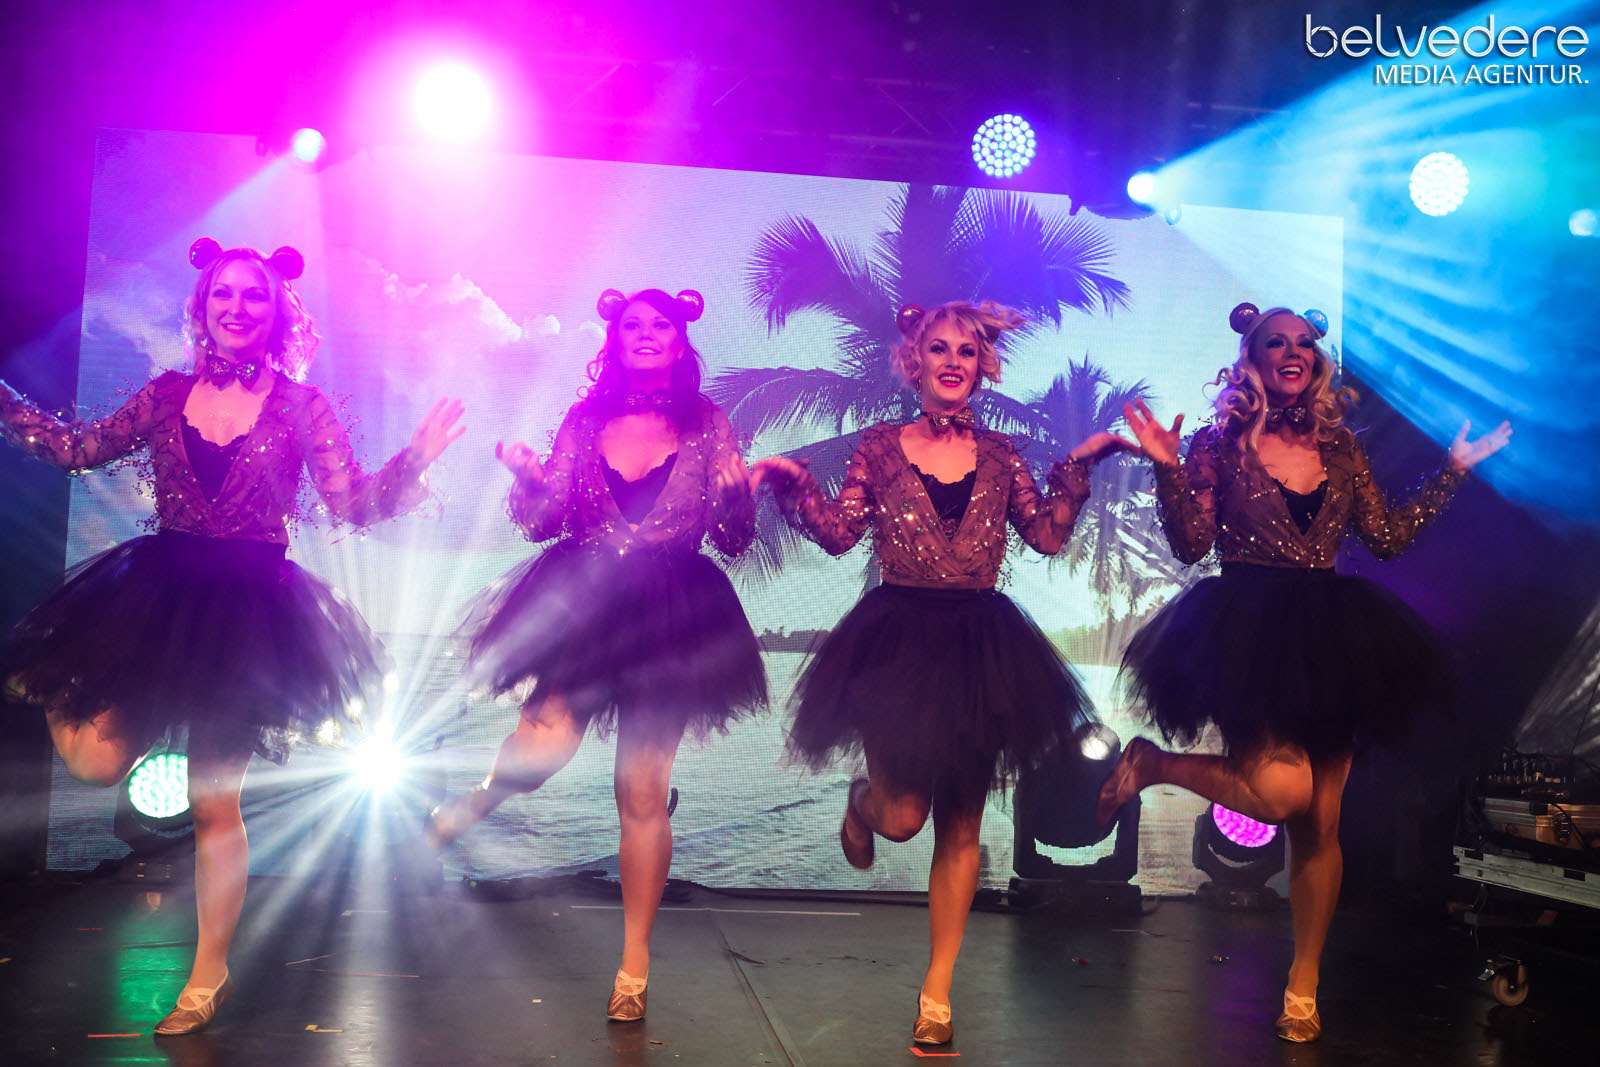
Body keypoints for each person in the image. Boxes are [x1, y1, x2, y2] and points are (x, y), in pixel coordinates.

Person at [0, 237, 464, 1034]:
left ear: (277, 311)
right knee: (94, 760)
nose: (238, 306)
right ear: (203, 305)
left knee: (215, 799)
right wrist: (6, 403)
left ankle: (206, 974)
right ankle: (55, 680)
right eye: (224, 293)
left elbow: (351, 503)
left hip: (251, 616)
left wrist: (414, 461)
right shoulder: (167, 393)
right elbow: (79, 450)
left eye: (255, 295)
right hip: (159, 598)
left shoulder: (301, 405)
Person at [1096, 302, 1511, 1043]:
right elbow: (1191, 543)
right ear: (1251, 359)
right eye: (1275, 342)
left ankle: (1303, 983)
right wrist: (1166, 466)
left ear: (1315, 361)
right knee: (1280, 793)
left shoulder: (1340, 446)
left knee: (1321, 823)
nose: (1292, 352)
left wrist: (1450, 474)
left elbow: (1385, 538)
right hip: (1251, 631)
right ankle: (1155, 763)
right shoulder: (1220, 444)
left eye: (1304, 344)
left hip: (1333, 636)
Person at [752, 300, 1130, 1046]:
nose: (953, 360)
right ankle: (862, 805)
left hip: (981, 649)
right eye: (939, 348)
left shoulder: (1002, 453)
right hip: (898, 644)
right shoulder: (879, 448)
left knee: (960, 826)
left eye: (966, 350)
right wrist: (795, 484)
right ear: (914, 360)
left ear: (981, 366)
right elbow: (839, 534)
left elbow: (1046, 537)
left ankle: (937, 992)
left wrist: (1078, 470)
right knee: (904, 817)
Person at [427, 287, 765, 1022]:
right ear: (613, 342)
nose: (645, 333)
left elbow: (735, 541)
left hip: (672, 614)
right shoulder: (585, 421)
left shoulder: (708, 422)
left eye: (660, 325)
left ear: (680, 342)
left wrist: (740, 497)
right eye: (632, 325)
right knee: (540, 753)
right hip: (583, 602)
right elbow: (543, 520)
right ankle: (480, 799)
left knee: (641, 789)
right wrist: (527, 480)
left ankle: (634, 965)